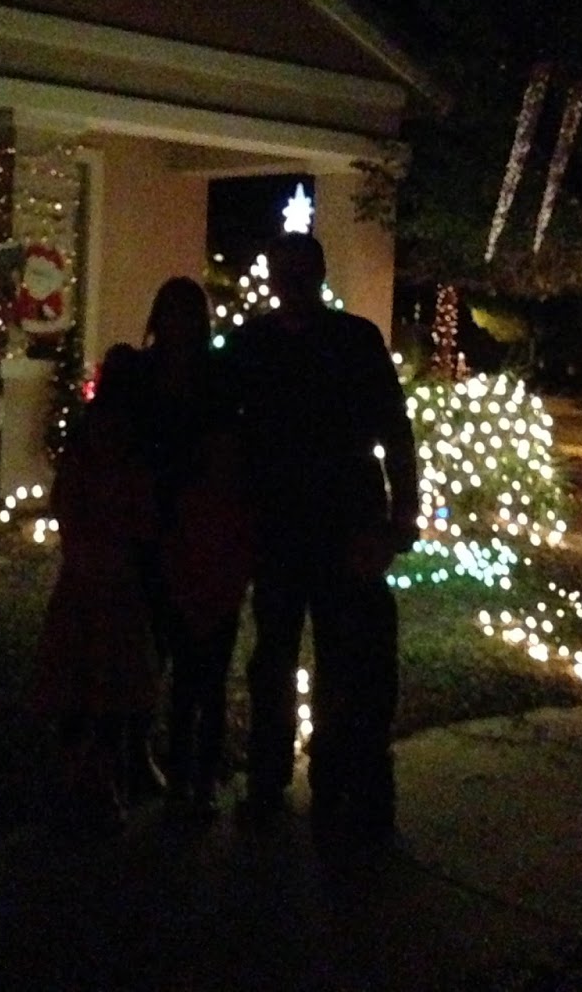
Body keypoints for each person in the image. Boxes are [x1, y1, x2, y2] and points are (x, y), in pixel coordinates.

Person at [225, 233, 419, 843]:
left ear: (318, 275)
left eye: (302, 273)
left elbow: (395, 429)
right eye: (284, 273)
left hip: (347, 526)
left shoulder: (354, 341)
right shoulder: (253, 345)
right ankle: (269, 773)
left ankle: (339, 779)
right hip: (280, 527)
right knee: (274, 656)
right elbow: (230, 431)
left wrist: (401, 516)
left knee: (348, 659)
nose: (292, 284)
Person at [31, 344, 161, 836]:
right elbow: (138, 517)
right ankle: (94, 782)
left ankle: (84, 779)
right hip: (108, 581)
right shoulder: (124, 448)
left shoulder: (93, 441)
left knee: (83, 681)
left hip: (88, 579)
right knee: (105, 682)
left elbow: (67, 504)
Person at [135, 277, 248, 816]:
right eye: (171, 312)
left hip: (204, 534)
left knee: (203, 672)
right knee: (152, 652)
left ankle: (198, 777)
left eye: (188, 314)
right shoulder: (143, 373)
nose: (179, 324)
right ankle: (150, 759)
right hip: (154, 529)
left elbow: (228, 450)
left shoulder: (217, 378)